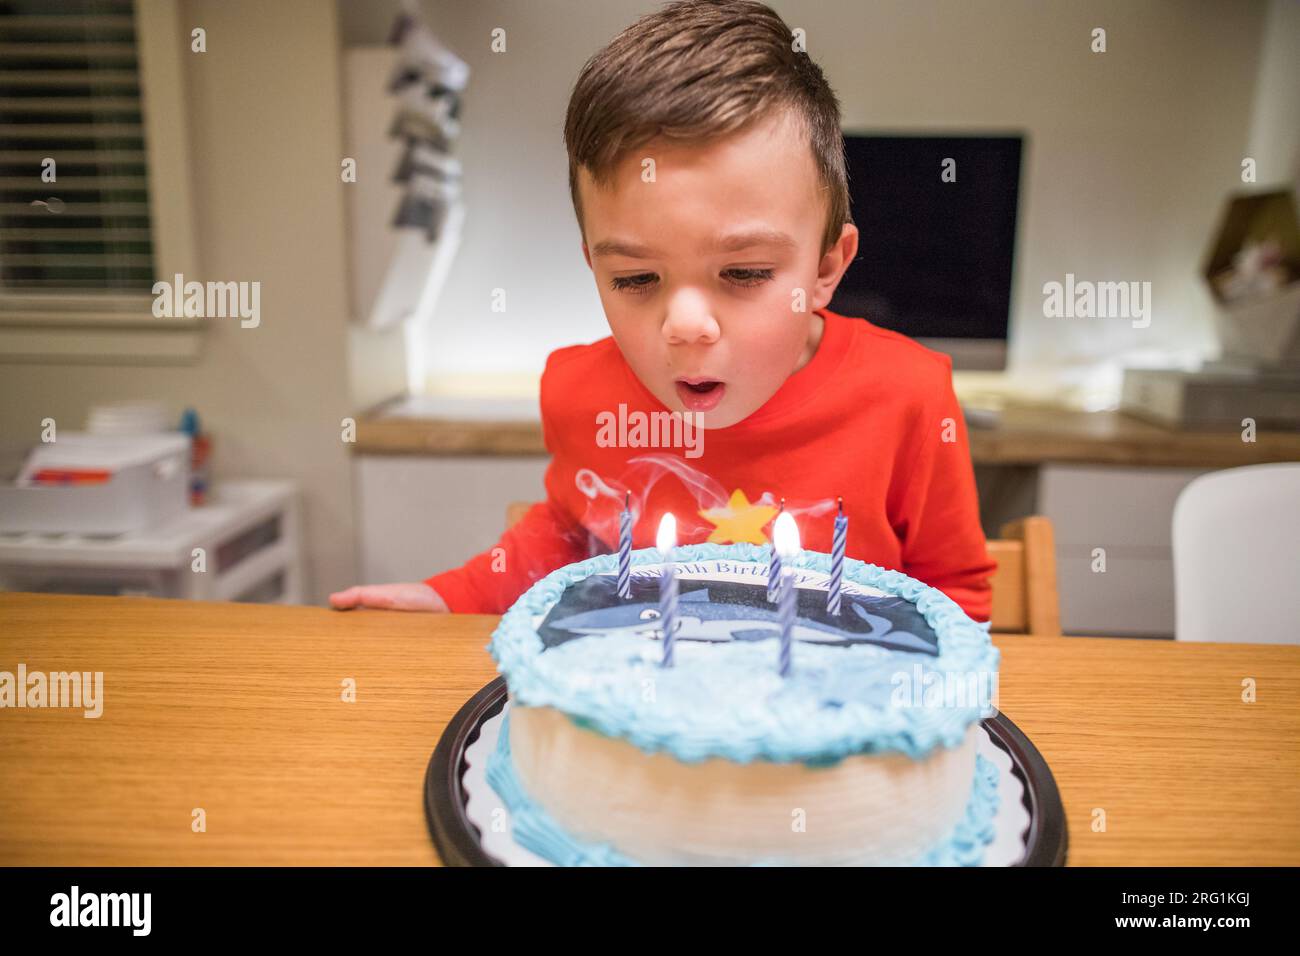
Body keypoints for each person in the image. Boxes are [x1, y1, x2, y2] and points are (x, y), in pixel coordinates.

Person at [330, 0, 995, 621]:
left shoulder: (908, 396)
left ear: (825, 268)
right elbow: (565, 539)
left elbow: (956, 591)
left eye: (744, 273)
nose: (686, 325)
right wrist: (444, 597)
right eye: (637, 277)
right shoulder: (580, 392)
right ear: (594, 264)